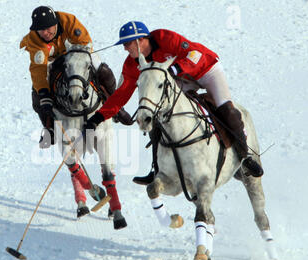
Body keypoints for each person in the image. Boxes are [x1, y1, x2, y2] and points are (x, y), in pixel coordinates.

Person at [84, 21, 264, 184]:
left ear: (140, 40)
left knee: (227, 110)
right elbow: (122, 94)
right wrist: (98, 117)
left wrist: (177, 68)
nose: (125, 49)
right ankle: (157, 168)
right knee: (158, 115)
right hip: (180, 80)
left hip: (206, 70)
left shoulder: (164, 37)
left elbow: (195, 54)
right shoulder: (132, 64)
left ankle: (245, 157)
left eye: (127, 44)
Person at [19, 6, 132, 149]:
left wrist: (74, 58)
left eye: (49, 29)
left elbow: (84, 42)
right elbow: (38, 70)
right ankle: (50, 129)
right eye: (41, 30)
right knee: (36, 96)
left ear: (56, 23)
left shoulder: (69, 21)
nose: (46, 33)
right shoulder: (34, 40)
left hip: (77, 55)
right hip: (52, 61)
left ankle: (116, 107)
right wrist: (43, 93)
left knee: (102, 70)